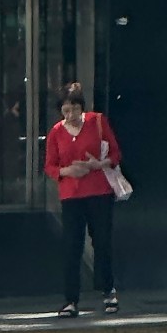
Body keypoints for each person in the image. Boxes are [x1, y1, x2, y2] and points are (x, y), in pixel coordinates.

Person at [43, 81, 121, 317]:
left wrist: (98, 164)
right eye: (65, 110)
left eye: (74, 109)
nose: (70, 115)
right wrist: (67, 171)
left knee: (102, 242)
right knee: (71, 246)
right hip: (71, 194)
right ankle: (71, 299)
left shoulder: (97, 122)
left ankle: (108, 291)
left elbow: (116, 153)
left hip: (99, 191)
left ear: (82, 108)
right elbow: (49, 165)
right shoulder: (56, 131)